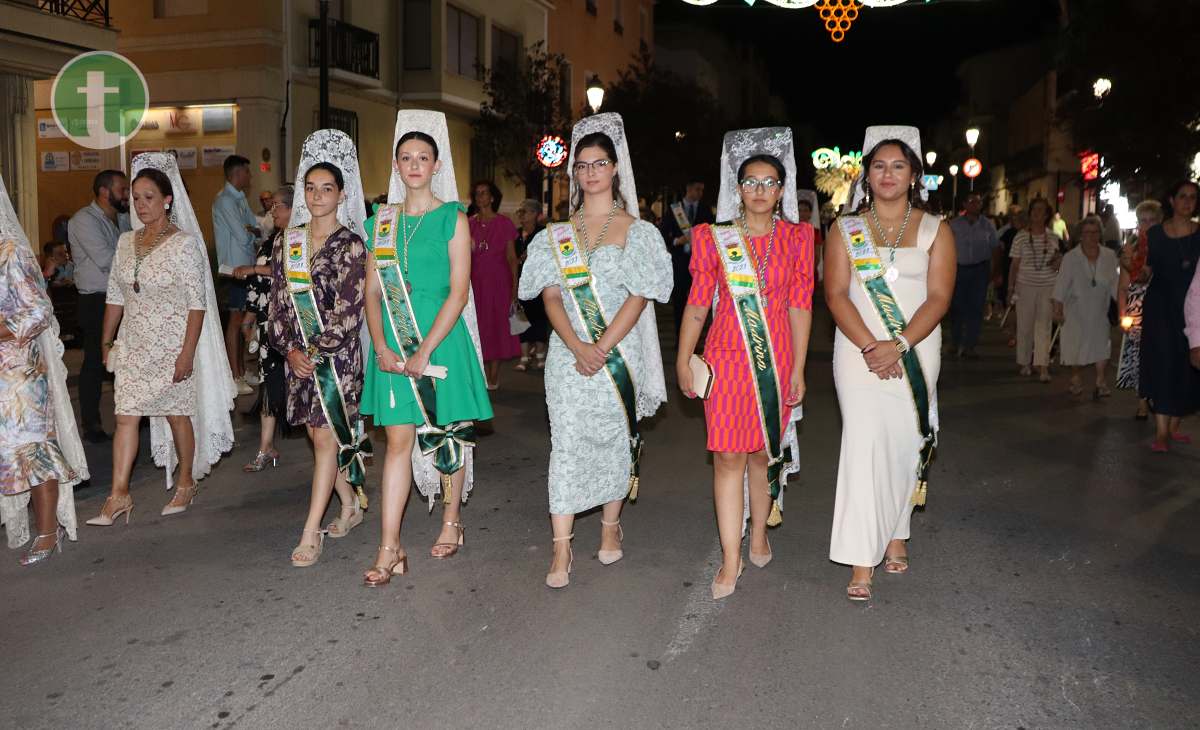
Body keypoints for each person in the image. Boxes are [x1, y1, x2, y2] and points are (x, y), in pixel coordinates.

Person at [518, 112, 672, 589]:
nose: (590, 172)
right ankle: (561, 550)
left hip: (617, 353)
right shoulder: (556, 234)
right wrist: (577, 346)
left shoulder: (637, 231)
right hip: (568, 356)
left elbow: (640, 295)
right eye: (582, 165)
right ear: (575, 174)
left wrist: (601, 347)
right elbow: (549, 296)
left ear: (614, 168)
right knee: (565, 445)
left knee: (612, 441)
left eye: (598, 163)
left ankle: (609, 527)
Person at [675, 128, 814, 600]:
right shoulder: (714, 238)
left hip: (773, 361)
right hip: (726, 358)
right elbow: (697, 303)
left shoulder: (798, 238)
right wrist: (682, 356)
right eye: (750, 181)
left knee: (761, 454)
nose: (759, 190)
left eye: (768, 182)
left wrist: (797, 369)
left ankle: (758, 533)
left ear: (781, 190)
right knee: (728, 457)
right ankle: (730, 558)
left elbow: (800, 305)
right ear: (737, 188)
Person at [360, 110, 494, 585]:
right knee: (397, 440)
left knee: (448, 433)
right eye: (406, 157)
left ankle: (452, 520)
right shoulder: (381, 222)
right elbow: (372, 292)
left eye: (423, 157)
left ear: (437, 165)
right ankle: (389, 547)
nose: (414, 164)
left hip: (442, 339)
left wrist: (426, 350)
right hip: (393, 345)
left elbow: (460, 292)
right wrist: (379, 344)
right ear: (396, 166)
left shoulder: (453, 219)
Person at [825, 126, 956, 601]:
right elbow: (836, 295)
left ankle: (897, 529)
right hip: (857, 350)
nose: (888, 174)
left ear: (914, 174)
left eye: (898, 166)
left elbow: (940, 297)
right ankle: (863, 557)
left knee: (904, 443)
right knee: (863, 443)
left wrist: (897, 344)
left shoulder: (935, 229)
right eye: (879, 165)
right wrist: (871, 347)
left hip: (916, 347)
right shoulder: (845, 228)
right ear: (867, 173)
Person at [87, 153, 236, 525]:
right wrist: (107, 342)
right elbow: (115, 297)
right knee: (125, 417)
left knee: (176, 417)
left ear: (167, 199)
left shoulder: (184, 244)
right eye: (135, 198)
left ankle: (186, 481)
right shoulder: (125, 242)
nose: (141, 204)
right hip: (134, 344)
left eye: (149, 197)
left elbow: (197, 305)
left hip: (171, 346)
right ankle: (118, 495)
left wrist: (186, 355)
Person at [268, 131, 371, 566]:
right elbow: (276, 303)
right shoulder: (286, 243)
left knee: (326, 440)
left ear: (342, 194)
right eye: (310, 188)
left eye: (327, 188)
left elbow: (351, 310)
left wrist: (316, 350)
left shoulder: (350, 244)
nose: (317, 196)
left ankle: (311, 531)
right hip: (299, 360)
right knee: (317, 437)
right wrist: (290, 349)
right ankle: (349, 504)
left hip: (336, 358)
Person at [0, 171, 86, 564]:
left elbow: (39, 310)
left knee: (33, 453)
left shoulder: (11, 253)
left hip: (17, 375)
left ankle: (48, 532)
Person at [233, 184, 293, 471]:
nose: (273, 211)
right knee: (269, 381)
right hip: (269, 322)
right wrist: (248, 318)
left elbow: (287, 271)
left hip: (295, 324)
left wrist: (254, 269)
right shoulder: (271, 241)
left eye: (278, 205)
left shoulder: (301, 238)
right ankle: (265, 446)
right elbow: (258, 286)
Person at [68, 169, 131, 442]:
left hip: (123, 296)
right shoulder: (83, 220)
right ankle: (91, 424)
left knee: (127, 358)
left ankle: (132, 417)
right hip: (96, 299)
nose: (127, 195)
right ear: (105, 191)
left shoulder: (125, 218)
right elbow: (108, 259)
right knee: (95, 360)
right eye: (123, 190)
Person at [1139, 181, 1200, 451]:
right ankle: (1161, 433)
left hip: (1193, 309)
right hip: (1161, 307)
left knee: (1186, 366)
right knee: (1163, 363)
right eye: (1183, 197)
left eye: (1193, 198)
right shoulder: (1155, 235)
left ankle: (1174, 427)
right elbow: (1146, 273)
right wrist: (1133, 267)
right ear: (1172, 201)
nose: (1188, 202)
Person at [1052, 216, 1118, 399]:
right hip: (1075, 310)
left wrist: (1123, 305)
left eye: (1095, 232)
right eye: (1087, 233)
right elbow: (1061, 284)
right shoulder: (1071, 257)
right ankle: (1075, 377)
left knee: (1102, 344)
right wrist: (1057, 308)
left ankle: (1100, 381)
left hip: (1100, 308)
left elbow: (1115, 283)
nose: (1091, 236)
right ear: (1080, 236)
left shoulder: (1109, 256)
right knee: (1075, 346)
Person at [213, 154, 259, 396]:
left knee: (244, 320)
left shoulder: (240, 199)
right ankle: (234, 375)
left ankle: (241, 369)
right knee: (235, 322)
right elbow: (244, 236)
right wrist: (251, 232)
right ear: (237, 173)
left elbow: (256, 227)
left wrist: (251, 231)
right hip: (233, 269)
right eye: (247, 172)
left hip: (246, 267)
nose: (250, 177)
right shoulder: (224, 201)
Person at [467, 180, 520, 390]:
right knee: (478, 326)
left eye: (485, 193)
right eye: (477, 193)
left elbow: (511, 258)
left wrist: (514, 287)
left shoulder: (504, 223)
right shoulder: (468, 223)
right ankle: (480, 372)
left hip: (499, 282)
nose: (481, 197)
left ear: (492, 197)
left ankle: (494, 375)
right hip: (475, 282)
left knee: (496, 327)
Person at [1116, 200, 1164, 420]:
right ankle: (1142, 402)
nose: (1146, 224)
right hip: (1137, 306)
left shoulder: (1165, 244)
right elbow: (1123, 286)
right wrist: (1122, 314)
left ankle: (1157, 396)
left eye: (1151, 220)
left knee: (1159, 354)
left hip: (1161, 306)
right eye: (1142, 220)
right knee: (1138, 356)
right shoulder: (1132, 247)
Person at [1008, 198, 1062, 382]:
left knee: (1044, 326)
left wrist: (1057, 261)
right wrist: (1010, 288)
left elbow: (1058, 264)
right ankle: (1024, 362)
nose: (1037, 214)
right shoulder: (1020, 237)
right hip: (1025, 285)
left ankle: (1043, 365)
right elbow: (1014, 265)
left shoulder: (1053, 237)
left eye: (1041, 211)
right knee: (1024, 325)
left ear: (1047, 215)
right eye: (1034, 210)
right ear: (1030, 213)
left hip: (1048, 285)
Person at [948, 192, 999, 359]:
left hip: (979, 270)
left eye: (977, 202)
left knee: (976, 308)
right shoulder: (954, 225)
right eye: (971, 202)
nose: (974, 205)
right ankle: (955, 343)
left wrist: (994, 272)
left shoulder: (988, 225)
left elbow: (995, 248)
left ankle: (970, 345)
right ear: (964, 204)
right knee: (956, 308)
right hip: (959, 270)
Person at [661, 178, 715, 336]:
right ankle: (680, 337)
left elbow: (712, 233)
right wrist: (677, 240)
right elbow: (662, 234)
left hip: (700, 265)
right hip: (679, 263)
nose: (700, 193)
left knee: (699, 303)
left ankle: (694, 339)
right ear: (689, 188)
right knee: (679, 303)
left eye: (702, 190)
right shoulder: (675, 210)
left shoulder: (705, 210)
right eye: (697, 189)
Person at [513, 198, 549, 371]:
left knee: (540, 318)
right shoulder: (516, 234)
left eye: (525, 211)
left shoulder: (543, 233)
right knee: (521, 318)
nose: (521, 215)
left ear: (536, 214)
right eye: (520, 211)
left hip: (539, 283)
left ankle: (541, 356)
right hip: (520, 282)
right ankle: (524, 356)